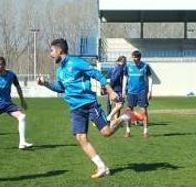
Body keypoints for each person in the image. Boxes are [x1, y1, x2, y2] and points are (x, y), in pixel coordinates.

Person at [37, 38, 140, 178]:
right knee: (80, 138)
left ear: (60, 50)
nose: (50, 54)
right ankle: (101, 167)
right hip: (75, 109)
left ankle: (123, 118)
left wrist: (110, 91)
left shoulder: (76, 62)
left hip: (89, 104)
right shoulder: (60, 71)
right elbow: (60, 88)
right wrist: (45, 84)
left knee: (106, 132)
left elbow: (96, 74)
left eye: (52, 51)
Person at [124, 50, 154, 137]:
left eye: (136, 58)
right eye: (133, 57)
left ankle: (145, 132)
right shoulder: (128, 66)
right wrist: (123, 91)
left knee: (144, 111)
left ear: (139, 58)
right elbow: (125, 77)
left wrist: (150, 91)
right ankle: (128, 131)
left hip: (142, 91)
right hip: (131, 92)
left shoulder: (145, 66)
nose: (134, 59)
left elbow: (150, 78)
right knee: (129, 112)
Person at [104, 56, 127, 121]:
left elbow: (107, 79)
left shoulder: (112, 69)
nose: (125, 63)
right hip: (117, 89)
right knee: (119, 105)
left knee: (115, 105)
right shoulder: (120, 68)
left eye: (125, 61)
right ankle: (108, 117)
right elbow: (114, 79)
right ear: (119, 61)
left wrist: (108, 88)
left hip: (112, 89)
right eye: (124, 61)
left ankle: (115, 120)